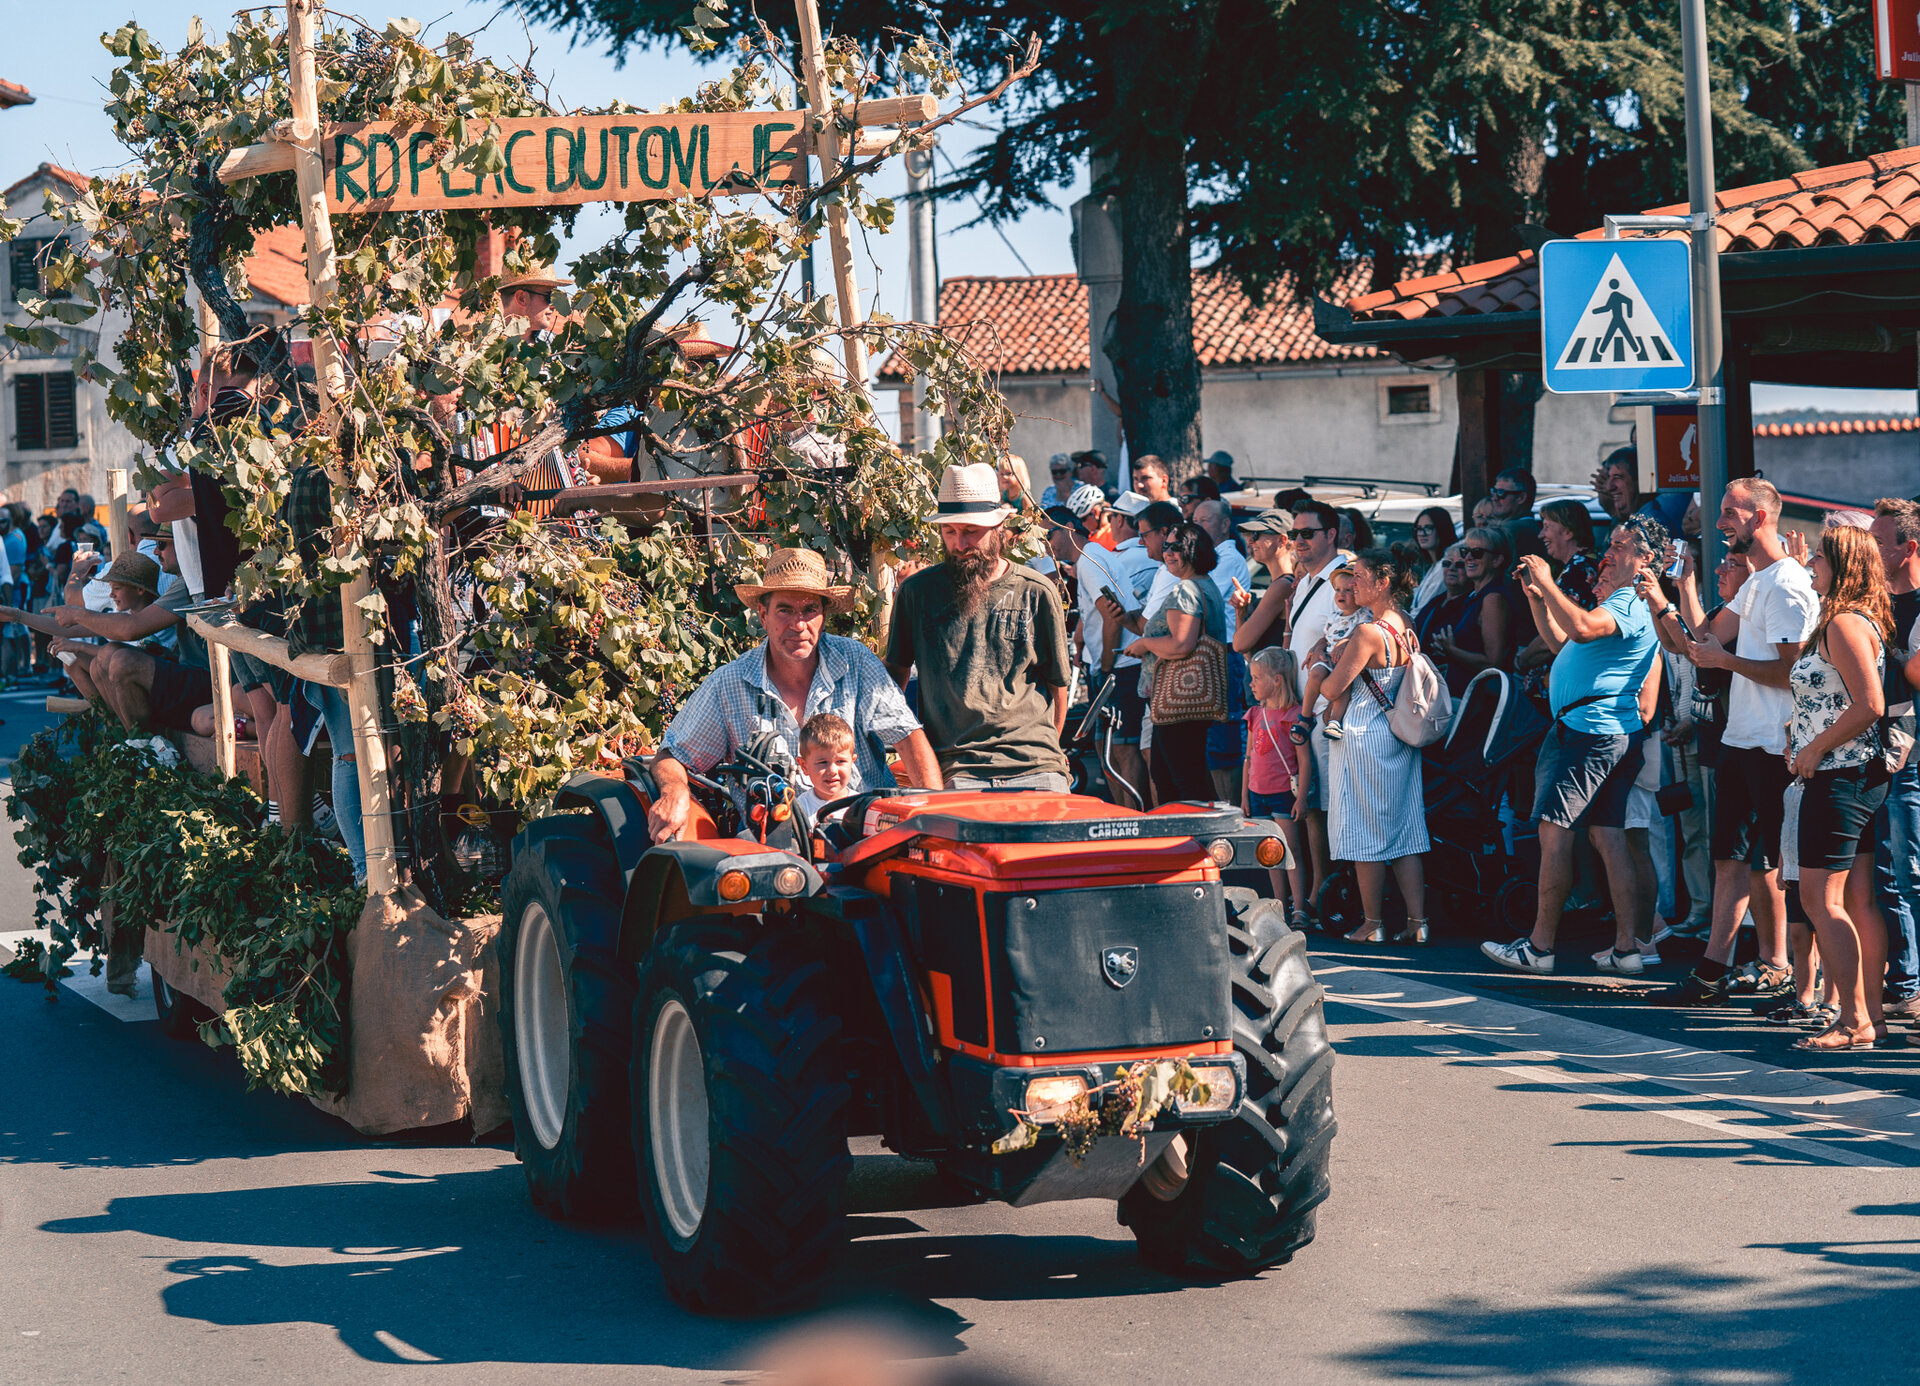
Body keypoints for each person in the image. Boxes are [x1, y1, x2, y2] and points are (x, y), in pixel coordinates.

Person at [1646, 478, 1813, 1006]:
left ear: (1760, 517)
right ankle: (1719, 970)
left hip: (1774, 745)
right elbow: (1705, 640)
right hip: (1743, 740)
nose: (1720, 523)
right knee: (1734, 858)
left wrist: (1727, 662)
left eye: (1729, 513)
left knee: (1781, 867)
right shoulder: (1757, 581)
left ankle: (1798, 981)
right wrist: (1685, 586)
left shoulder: (1785, 583)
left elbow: (1794, 673)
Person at [651, 549, 940, 841]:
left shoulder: (856, 662)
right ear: (763, 616)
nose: (798, 624)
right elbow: (672, 755)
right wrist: (674, 790)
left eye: (809, 610)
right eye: (785, 610)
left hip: (864, 836)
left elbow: (909, 739)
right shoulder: (729, 683)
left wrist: (936, 820)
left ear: (823, 616)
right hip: (774, 850)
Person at [1482, 516, 1667, 975]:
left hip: (1589, 733)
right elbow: (1564, 642)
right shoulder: (1627, 602)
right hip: (1601, 731)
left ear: (1645, 560)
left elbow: (1582, 628)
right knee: (1608, 836)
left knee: (1554, 832)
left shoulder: (1629, 600)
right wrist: (1539, 598)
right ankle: (1627, 949)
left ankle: (1540, 947)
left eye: (1620, 546)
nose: (1608, 554)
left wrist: (1548, 580)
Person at [1776, 523, 1893, 1050]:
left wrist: (1816, 747)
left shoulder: (1845, 623)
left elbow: (1871, 704)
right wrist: (1804, 739)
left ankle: (1853, 1019)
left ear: (1843, 566)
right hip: (1850, 773)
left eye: (1820, 557)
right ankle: (1868, 1017)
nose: (1812, 564)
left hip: (1840, 775)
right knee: (1854, 901)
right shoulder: (1850, 619)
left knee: (1823, 902)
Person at [887, 464, 1074, 792]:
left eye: (971, 531)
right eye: (949, 532)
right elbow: (893, 681)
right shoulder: (917, 593)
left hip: (1037, 765)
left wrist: (1048, 754)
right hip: (956, 768)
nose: (959, 543)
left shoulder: (1036, 590)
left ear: (999, 526)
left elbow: (1058, 688)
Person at [1316, 547, 1430, 944]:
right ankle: (1418, 922)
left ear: (1383, 583)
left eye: (1361, 576)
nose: (1354, 583)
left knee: (1366, 833)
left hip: (1364, 733)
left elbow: (1333, 688)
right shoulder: (1406, 623)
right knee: (1406, 830)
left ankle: (1373, 923)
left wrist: (1335, 659)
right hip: (1398, 733)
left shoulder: (1367, 632)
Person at [51, 541, 211, 733]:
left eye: (163, 544)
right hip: (183, 677)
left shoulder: (187, 584)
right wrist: (17, 616)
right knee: (96, 658)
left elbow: (132, 631)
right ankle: (121, 735)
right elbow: (66, 626)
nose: (156, 551)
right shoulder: (178, 584)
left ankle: (142, 744)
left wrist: (79, 637)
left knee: (119, 660)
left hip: (200, 682)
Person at [1124, 521, 1228, 805]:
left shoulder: (1187, 590)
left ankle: (1191, 839)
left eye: (1177, 547)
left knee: (1181, 778)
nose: (1168, 552)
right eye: (1166, 546)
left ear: (1194, 550)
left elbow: (1181, 644)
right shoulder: (1206, 585)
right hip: (1190, 699)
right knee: (1176, 773)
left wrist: (1145, 644)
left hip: (1180, 700)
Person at [1281, 500, 1349, 904]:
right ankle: (1316, 891)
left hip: (1329, 710)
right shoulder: (1304, 581)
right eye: (1295, 534)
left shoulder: (1344, 577)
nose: (1299, 541)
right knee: (1307, 805)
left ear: (1330, 535)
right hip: (1304, 709)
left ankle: (1326, 893)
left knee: (1323, 807)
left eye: (1308, 533)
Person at [1870, 497, 1920, 1023]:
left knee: (1910, 873)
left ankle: (1911, 983)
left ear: (1908, 549)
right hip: (1876, 757)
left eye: (1879, 543)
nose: (1870, 552)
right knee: (1886, 874)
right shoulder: (1873, 603)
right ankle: (1904, 981)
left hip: (1912, 759)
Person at [1244, 646, 1309, 923]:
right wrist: (1244, 796)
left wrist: (1302, 798)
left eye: (1258, 677)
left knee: (1291, 851)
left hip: (1283, 794)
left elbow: (1304, 761)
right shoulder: (1255, 714)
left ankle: (1299, 908)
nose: (1252, 683)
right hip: (1257, 794)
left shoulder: (1293, 716)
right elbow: (1248, 757)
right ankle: (1280, 905)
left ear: (1277, 679)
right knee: (1271, 852)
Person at [1194, 497, 1254, 800]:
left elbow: (1199, 596)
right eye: (1195, 520)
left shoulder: (1227, 558)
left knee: (1224, 743)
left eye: (1205, 520)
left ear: (1225, 524)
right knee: (1212, 743)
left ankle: (1229, 811)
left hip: (1226, 653)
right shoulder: (1209, 558)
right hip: (1210, 655)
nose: (1198, 526)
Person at [1515, 500, 1601, 703]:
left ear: (1568, 531)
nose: (1540, 535)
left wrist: (1522, 660)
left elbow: (1562, 630)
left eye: (1547, 527)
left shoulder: (1579, 571)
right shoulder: (1576, 567)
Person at [1430, 525, 1519, 697]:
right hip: (1465, 694)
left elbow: (1493, 662)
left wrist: (1451, 651)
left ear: (1497, 560)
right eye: (1465, 552)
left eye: (1477, 553)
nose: (1468, 558)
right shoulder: (1476, 596)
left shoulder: (1493, 598)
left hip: (1481, 701)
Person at [1299, 567, 1370, 742]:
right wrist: (1318, 647)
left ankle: (1335, 721)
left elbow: (1362, 632)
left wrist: (1345, 642)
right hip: (1327, 657)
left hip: (1344, 662)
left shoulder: (1363, 614)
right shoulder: (1334, 616)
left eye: (1348, 590)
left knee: (1342, 685)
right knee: (1315, 674)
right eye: (1337, 590)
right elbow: (1326, 637)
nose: (1341, 594)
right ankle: (1305, 717)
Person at [1226, 509, 1295, 654]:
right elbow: (1247, 653)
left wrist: (1241, 613)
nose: (1250, 541)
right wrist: (1241, 611)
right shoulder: (1283, 582)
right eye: (1249, 535)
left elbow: (1240, 645)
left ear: (1282, 540)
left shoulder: (1283, 586)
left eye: (1256, 535)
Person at [795, 711, 859, 821]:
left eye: (840, 761)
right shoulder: (800, 808)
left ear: (852, 762)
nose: (832, 771)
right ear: (804, 766)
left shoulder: (860, 806)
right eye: (823, 762)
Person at [1413, 544, 1470, 656]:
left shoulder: (1469, 603)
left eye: (1459, 564)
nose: (1451, 568)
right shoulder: (1436, 601)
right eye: (1447, 563)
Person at [1488, 467, 1546, 559]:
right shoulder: (1533, 527)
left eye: (1501, 493)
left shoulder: (1512, 530)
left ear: (1521, 498)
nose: (1494, 498)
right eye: (1494, 491)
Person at [1409, 506, 1459, 614]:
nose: (1422, 533)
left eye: (1428, 528)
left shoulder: (1446, 565)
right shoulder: (1432, 566)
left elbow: (1424, 608)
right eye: (1419, 528)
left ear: (1442, 530)